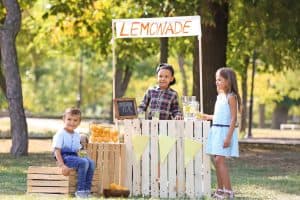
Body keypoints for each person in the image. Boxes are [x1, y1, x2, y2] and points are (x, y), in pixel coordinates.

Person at [202, 67, 241, 199]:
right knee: (216, 160)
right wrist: (207, 116)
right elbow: (219, 116)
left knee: (219, 160)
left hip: (225, 131)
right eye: (216, 79)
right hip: (216, 130)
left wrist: (228, 137)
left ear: (228, 81)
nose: (216, 82)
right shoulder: (220, 96)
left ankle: (229, 191)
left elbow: (233, 118)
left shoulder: (231, 97)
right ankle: (219, 189)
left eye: (219, 79)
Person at [52, 107, 95, 198]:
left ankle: (87, 190)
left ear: (79, 122)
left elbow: (78, 150)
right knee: (83, 162)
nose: (72, 122)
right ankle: (80, 191)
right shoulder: (60, 134)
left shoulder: (76, 135)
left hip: (74, 156)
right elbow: (57, 150)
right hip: (64, 157)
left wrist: (84, 153)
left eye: (75, 120)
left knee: (91, 162)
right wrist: (62, 165)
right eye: (69, 119)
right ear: (64, 119)